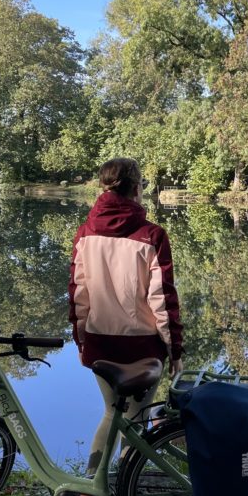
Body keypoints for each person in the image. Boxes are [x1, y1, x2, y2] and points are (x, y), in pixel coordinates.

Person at [69, 157, 184, 476]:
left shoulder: (84, 234)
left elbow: (78, 296)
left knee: (110, 413)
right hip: (142, 347)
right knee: (136, 420)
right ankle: (124, 493)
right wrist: (175, 351)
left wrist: (81, 343)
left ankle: (93, 486)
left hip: (100, 344)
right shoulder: (152, 236)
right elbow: (162, 300)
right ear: (137, 189)